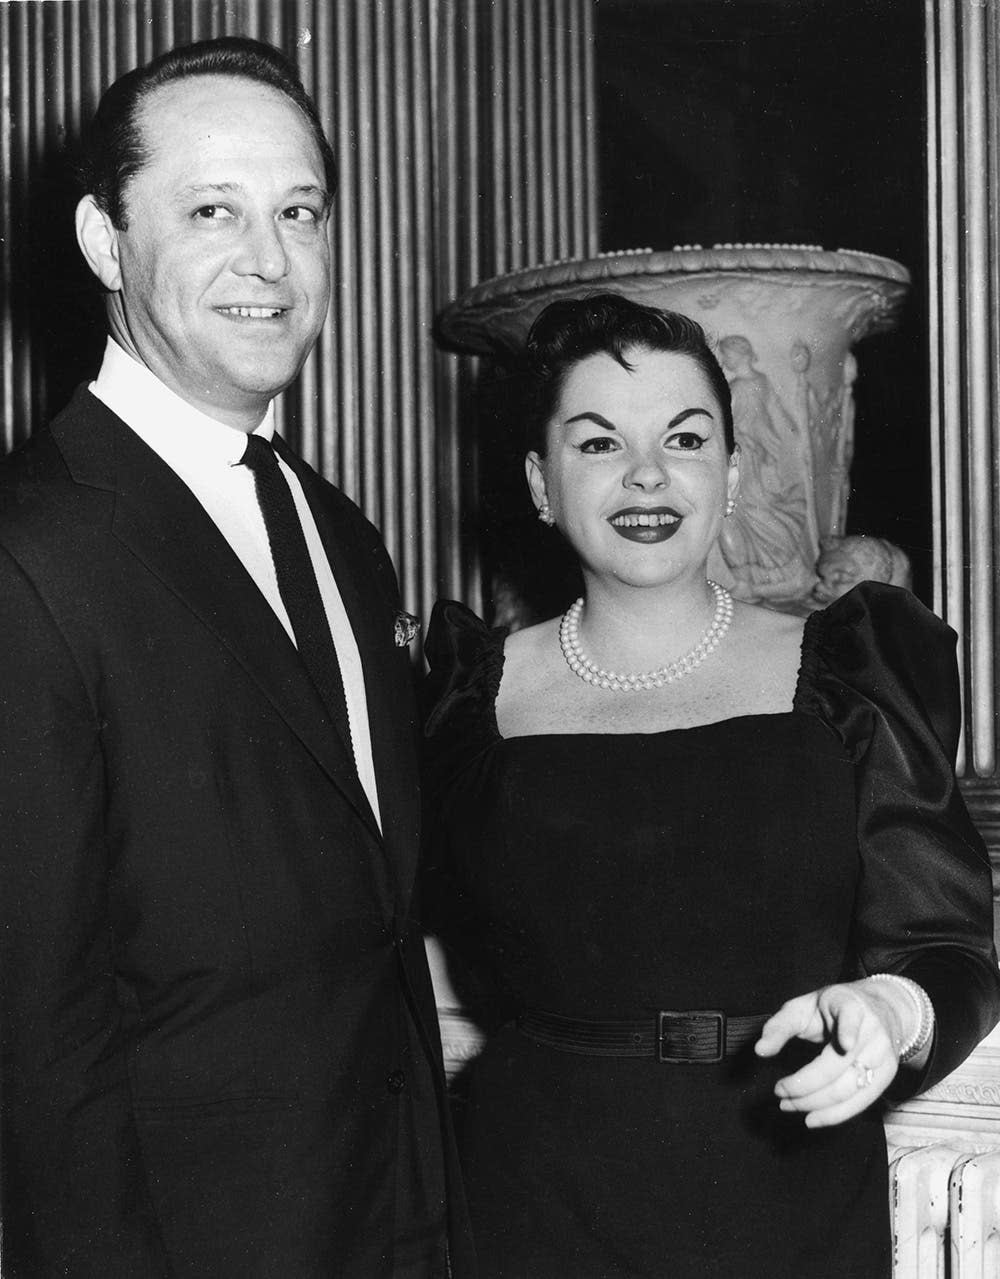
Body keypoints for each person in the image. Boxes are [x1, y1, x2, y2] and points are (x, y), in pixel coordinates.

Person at [0, 37, 472, 1279]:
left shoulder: (342, 535)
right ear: (106, 242)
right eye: (213, 210)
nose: (270, 260)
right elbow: (36, 1040)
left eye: (299, 212)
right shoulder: (29, 545)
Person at [422, 293, 1000, 1278]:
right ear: (540, 482)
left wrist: (893, 1011)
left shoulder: (851, 673)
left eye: (684, 439)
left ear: (729, 474)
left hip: (792, 1190)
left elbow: (948, 945)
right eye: (598, 443)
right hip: (532, 1200)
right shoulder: (462, 699)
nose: (647, 474)